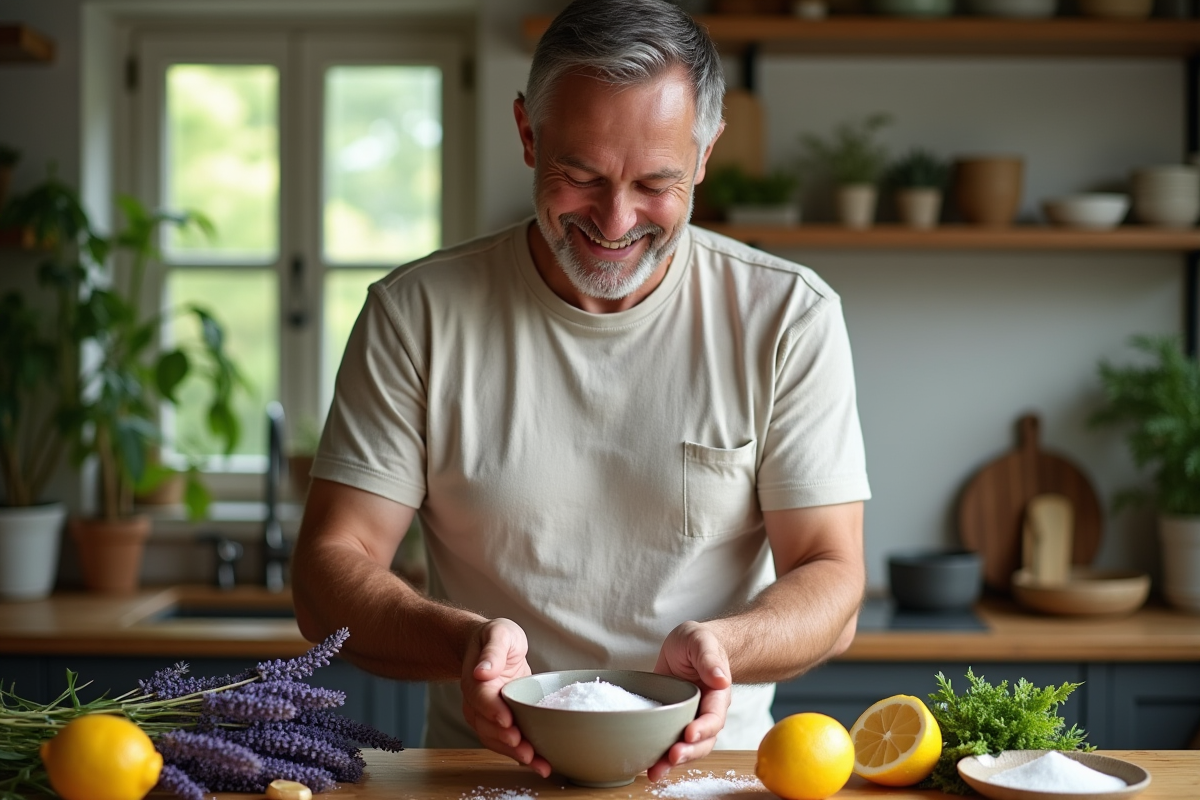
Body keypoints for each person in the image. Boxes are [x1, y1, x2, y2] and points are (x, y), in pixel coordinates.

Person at [291, 0, 870, 782]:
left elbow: (833, 578)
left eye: (656, 183)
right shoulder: (417, 315)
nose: (615, 219)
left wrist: (726, 648)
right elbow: (328, 572)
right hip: (484, 779)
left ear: (704, 155)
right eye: (582, 175)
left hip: (718, 776)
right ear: (529, 135)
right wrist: (463, 645)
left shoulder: (787, 317)